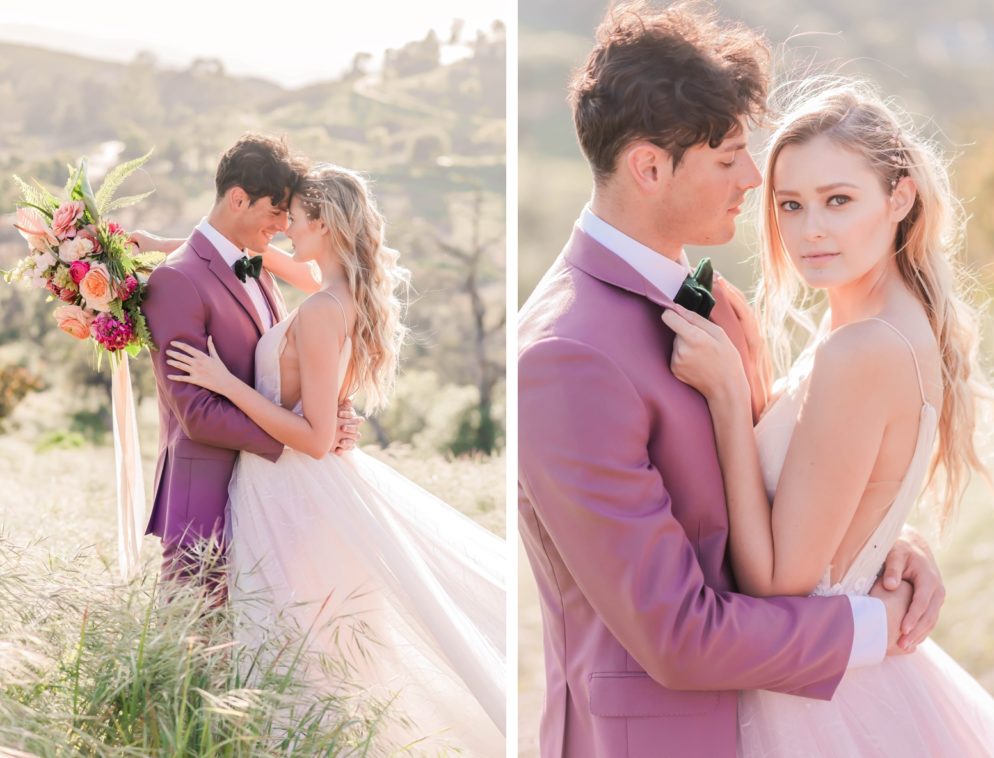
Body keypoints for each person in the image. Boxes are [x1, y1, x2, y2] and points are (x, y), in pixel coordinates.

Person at [517, 4, 945, 757]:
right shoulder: (566, 357)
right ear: (650, 167)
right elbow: (678, 636)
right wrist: (876, 624)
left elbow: (775, 480)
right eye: (728, 158)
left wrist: (882, 545)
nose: (754, 179)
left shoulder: (717, 304)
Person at [662, 80, 994, 756]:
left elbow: (779, 582)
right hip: (842, 674)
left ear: (900, 197)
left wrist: (729, 404)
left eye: (838, 201)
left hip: (820, 704)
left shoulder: (863, 347)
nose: (811, 230)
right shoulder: (875, 320)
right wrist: (897, 540)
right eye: (791, 205)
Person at [161, 163, 505, 754]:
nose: (285, 232)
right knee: (312, 647)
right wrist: (157, 247)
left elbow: (317, 437)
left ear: (324, 224)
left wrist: (224, 381)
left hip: (291, 490)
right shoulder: (338, 287)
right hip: (293, 485)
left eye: (293, 221)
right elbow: (239, 261)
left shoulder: (322, 309)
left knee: (293, 643)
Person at [139, 134, 360, 597]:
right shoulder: (175, 281)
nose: (283, 225)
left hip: (268, 500)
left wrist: (325, 419)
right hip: (206, 498)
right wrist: (302, 438)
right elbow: (195, 414)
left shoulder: (254, 263)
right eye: (276, 210)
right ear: (239, 199)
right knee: (191, 653)